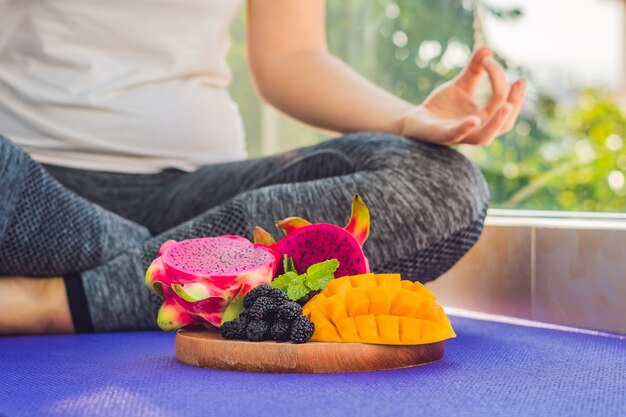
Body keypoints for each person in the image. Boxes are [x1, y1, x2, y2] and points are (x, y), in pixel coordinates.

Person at [0, 1, 525, 334]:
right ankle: (195, 273)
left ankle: (52, 298)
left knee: (440, 183)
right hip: (28, 190)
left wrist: (407, 119)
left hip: (200, 197)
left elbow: (291, 56)